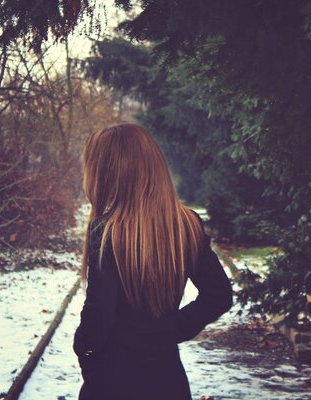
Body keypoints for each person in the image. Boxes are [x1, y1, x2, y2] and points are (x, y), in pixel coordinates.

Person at [73, 123, 233, 400]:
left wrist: (84, 349)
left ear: (107, 174)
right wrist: (167, 331)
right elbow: (218, 296)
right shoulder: (186, 225)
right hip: (168, 381)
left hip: (113, 382)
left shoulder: (107, 231)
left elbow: (99, 315)